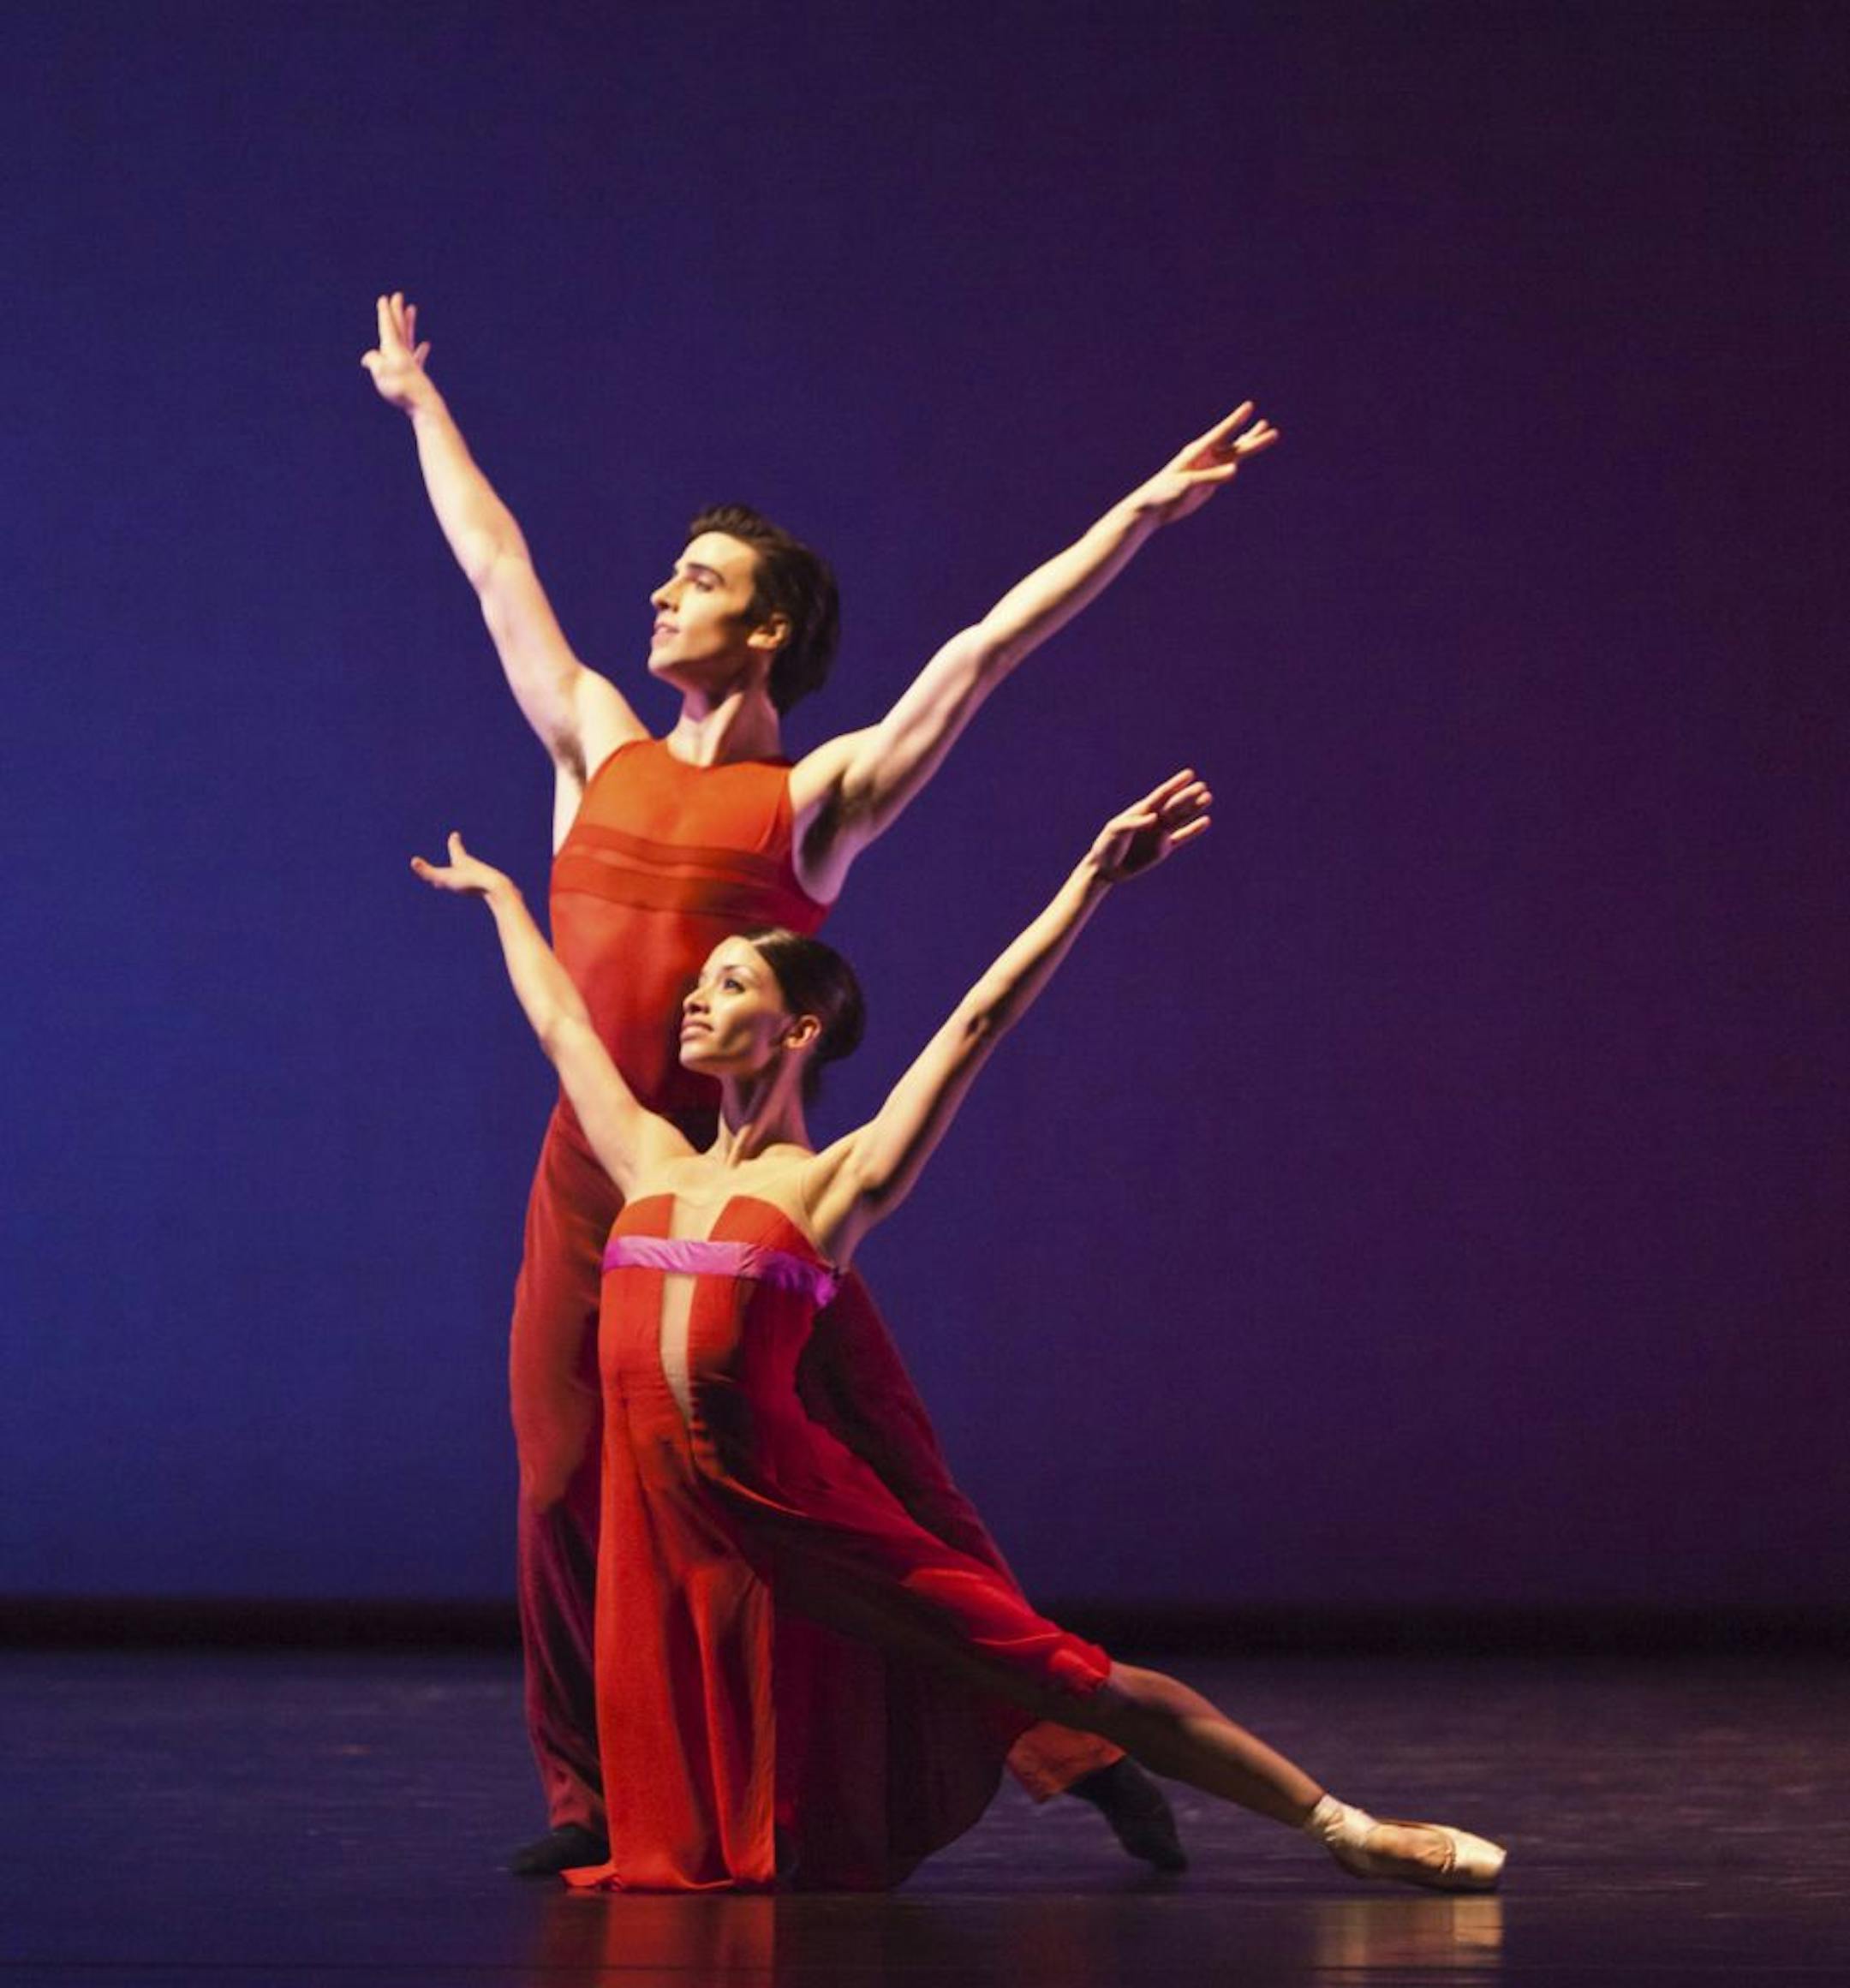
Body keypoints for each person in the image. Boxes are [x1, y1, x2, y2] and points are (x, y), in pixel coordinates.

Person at [364, 293, 1278, 1873]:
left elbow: (982, 654)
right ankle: (587, 1799)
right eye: (667, 574)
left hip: (763, 1217)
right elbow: (495, 567)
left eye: (699, 580)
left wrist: (1139, 508)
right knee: (562, 1485)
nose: (661, 592)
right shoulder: (592, 746)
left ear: (768, 626)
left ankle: (1074, 1737)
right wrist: (418, 400)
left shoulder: (816, 801)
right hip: (599, 1183)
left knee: (898, 1496)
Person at [410, 771, 1507, 1895]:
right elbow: (558, 1020)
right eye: (696, 980)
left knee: (1067, 1674)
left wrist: (1088, 881)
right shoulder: (646, 1158)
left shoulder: (834, 1186)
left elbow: (977, 1020)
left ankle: (1344, 1824)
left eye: (726, 980)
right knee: (743, 1816)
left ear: (800, 1025)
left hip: (807, 1522)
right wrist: (501, 895)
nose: (692, 997)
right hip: (677, 1545)